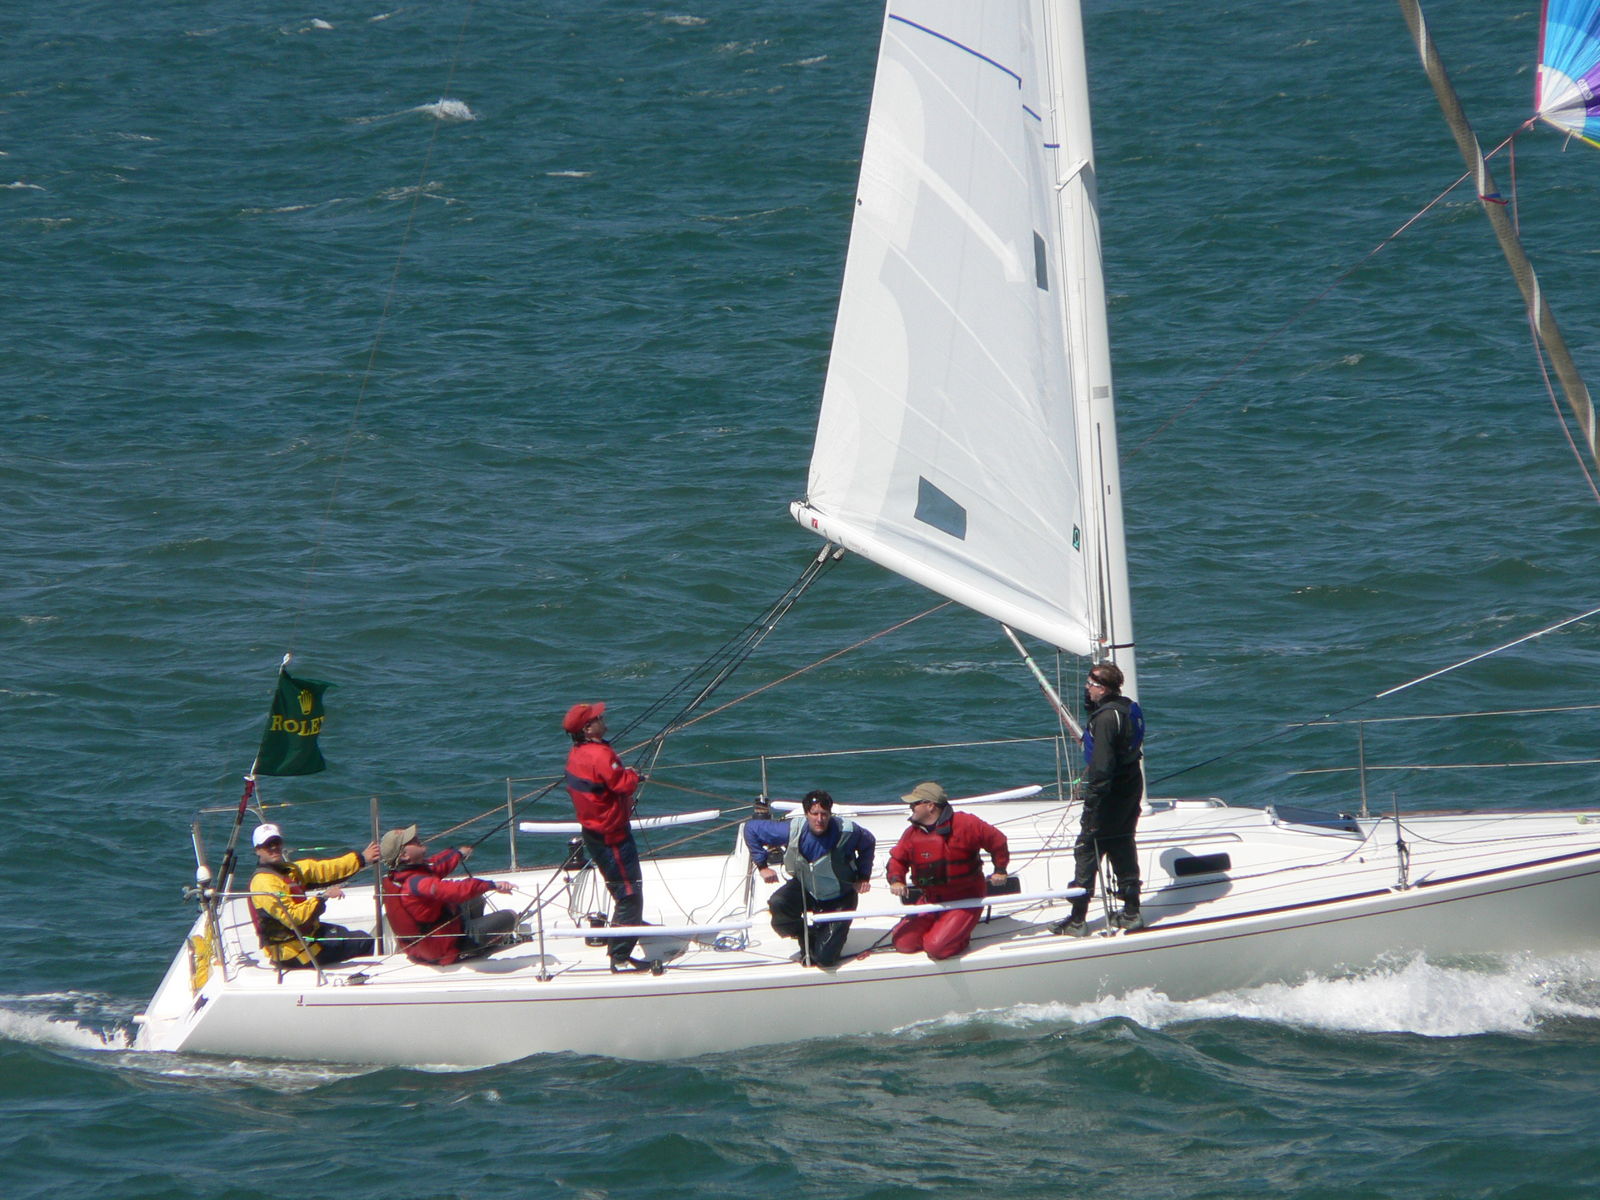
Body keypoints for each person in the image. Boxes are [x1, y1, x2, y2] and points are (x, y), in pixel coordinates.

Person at [562, 701, 653, 973]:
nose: (603, 718)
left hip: (594, 833)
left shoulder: (577, 753)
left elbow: (606, 781)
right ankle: (620, 956)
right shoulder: (601, 755)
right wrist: (633, 776)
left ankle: (629, 924)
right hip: (612, 836)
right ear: (587, 729)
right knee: (630, 894)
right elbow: (622, 784)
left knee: (619, 887)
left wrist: (625, 775)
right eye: (598, 717)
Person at [1060, 661, 1146, 935]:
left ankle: (1077, 919)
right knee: (1122, 841)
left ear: (1103, 688)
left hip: (1109, 792)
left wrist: (1093, 800)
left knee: (1087, 848)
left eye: (1091, 684)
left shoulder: (1107, 719)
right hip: (1130, 785)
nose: (1087, 688)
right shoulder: (1128, 707)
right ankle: (1131, 911)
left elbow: (1103, 765)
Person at [744, 789, 876, 967]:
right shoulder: (793, 830)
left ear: (830, 814)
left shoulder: (848, 830)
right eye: (814, 814)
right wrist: (762, 866)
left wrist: (863, 876)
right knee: (778, 904)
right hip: (806, 887)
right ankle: (805, 932)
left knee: (824, 959)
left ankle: (829, 936)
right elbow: (751, 829)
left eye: (824, 814)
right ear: (806, 814)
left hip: (840, 896)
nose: (819, 819)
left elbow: (869, 842)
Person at [885, 781, 1010, 961]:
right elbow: (897, 859)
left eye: (915, 803)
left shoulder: (966, 823)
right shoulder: (912, 833)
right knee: (904, 943)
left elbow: (997, 841)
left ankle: (959, 936)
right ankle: (942, 926)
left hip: (965, 898)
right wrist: (897, 880)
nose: (911, 807)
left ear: (930, 805)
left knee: (936, 948)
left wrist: (1000, 870)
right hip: (931, 898)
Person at [248, 822, 381, 969]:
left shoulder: (288, 871)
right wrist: (323, 897)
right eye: (268, 845)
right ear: (257, 850)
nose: (274, 847)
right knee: (364, 941)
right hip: (296, 953)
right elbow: (293, 918)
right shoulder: (264, 882)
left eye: (276, 842)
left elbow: (324, 869)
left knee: (348, 933)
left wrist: (362, 858)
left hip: (305, 938)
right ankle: (357, 978)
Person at [380, 826, 520, 964]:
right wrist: (493, 885)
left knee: (476, 898)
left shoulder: (402, 875)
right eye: (411, 841)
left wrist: (458, 854)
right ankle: (468, 950)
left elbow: (435, 866)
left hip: (429, 942)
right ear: (404, 855)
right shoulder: (416, 883)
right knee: (510, 916)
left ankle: (475, 937)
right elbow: (456, 890)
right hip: (443, 948)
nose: (417, 838)